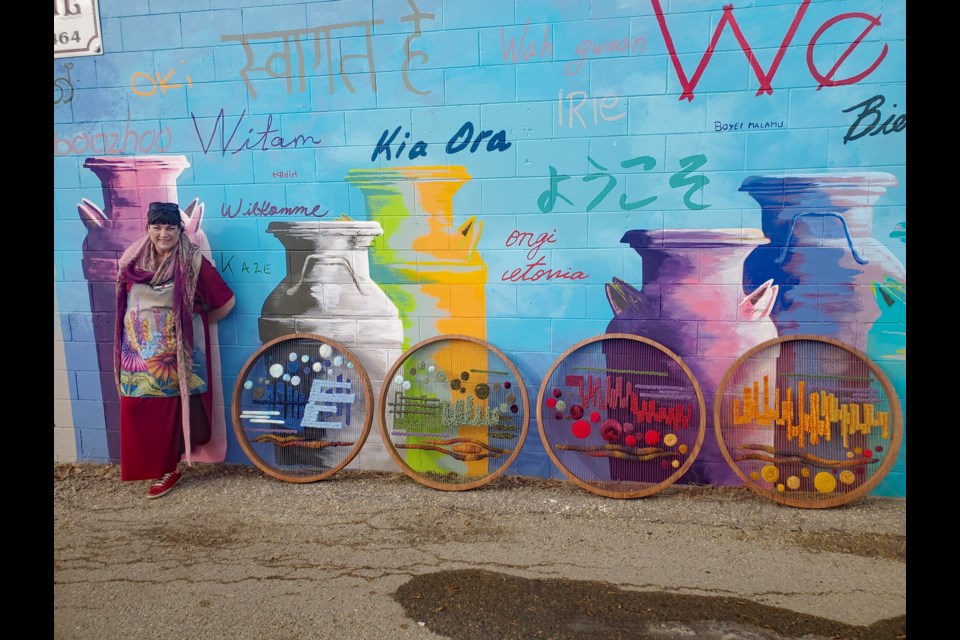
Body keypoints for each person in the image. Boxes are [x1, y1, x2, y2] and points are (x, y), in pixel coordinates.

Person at [113, 201, 236, 498]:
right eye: (157, 226)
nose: (163, 233)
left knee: (169, 413)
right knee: (135, 409)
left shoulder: (193, 263)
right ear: (148, 228)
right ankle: (147, 467)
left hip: (174, 358)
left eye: (170, 227)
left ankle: (169, 469)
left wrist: (190, 329)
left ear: (180, 229)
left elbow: (226, 302)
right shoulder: (133, 261)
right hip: (137, 359)